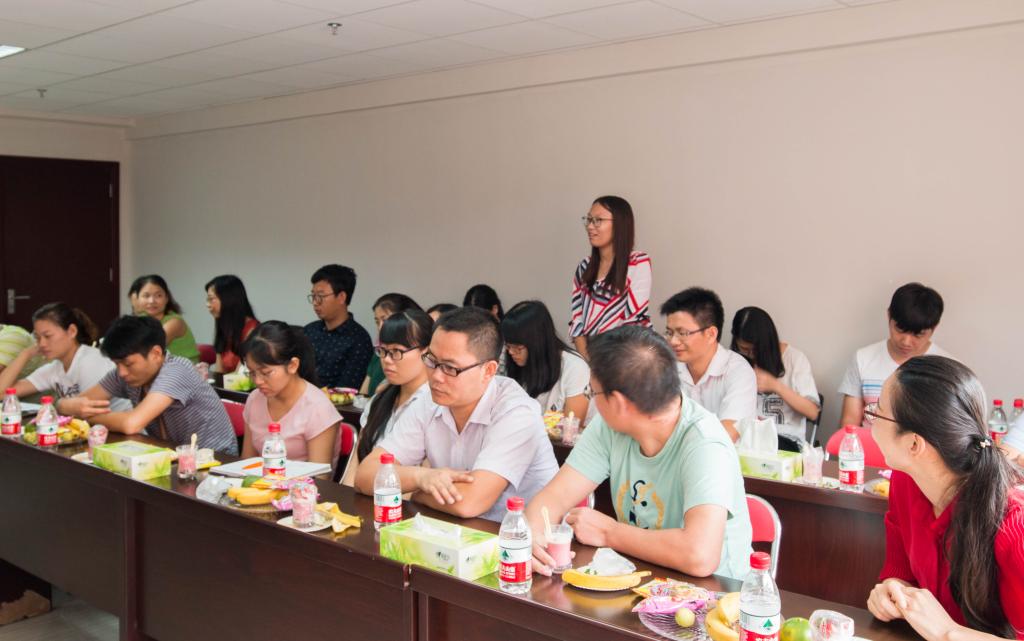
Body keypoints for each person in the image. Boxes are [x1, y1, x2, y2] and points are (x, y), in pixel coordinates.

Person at [525, 326, 752, 579]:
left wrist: (609, 532)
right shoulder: (608, 427)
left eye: (592, 392)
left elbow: (700, 556)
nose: (591, 401)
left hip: (715, 591)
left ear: (618, 403)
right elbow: (552, 499)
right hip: (643, 578)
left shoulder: (705, 443)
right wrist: (533, 537)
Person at [867, 356, 1024, 638]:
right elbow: (900, 572)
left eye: (877, 410)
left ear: (914, 444)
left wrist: (948, 632)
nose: (870, 418)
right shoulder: (906, 481)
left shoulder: (1014, 525)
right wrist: (894, 591)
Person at [354, 307, 558, 521]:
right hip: (454, 529)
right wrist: (421, 477)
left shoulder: (516, 412)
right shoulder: (428, 401)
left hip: (518, 536)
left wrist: (416, 494)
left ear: (488, 370)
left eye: (450, 368)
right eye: (431, 361)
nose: (436, 377)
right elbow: (366, 475)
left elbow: (469, 503)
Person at [67, 315, 238, 454]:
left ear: (156, 353)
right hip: (170, 454)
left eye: (128, 364)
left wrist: (86, 416)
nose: (121, 372)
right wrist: (65, 405)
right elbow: (76, 404)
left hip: (216, 458)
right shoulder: (126, 373)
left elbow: (131, 424)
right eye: (116, 364)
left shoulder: (177, 370)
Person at [840, 282, 949, 431]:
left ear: (934, 328)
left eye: (918, 334)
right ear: (889, 315)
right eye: (900, 329)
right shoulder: (863, 359)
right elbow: (849, 423)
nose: (906, 342)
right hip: (868, 445)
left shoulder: (948, 369)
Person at [341, 310, 433, 486]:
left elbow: (424, 478)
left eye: (397, 351)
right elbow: (356, 464)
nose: (387, 360)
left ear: (426, 351)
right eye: (383, 351)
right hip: (365, 492)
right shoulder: (380, 399)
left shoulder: (434, 405)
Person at [661, 288, 755, 442]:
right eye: (669, 333)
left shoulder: (738, 371)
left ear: (711, 334)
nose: (673, 341)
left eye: (682, 333)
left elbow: (729, 432)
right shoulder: (668, 368)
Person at [239, 321, 339, 467]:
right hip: (260, 480)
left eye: (266, 373)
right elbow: (247, 462)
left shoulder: (318, 408)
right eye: (252, 373)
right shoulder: (255, 399)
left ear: (292, 365)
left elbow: (320, 477)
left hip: (302, 482)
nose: (258, 381)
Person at [0, 303, 129, 413]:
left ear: (72, 331)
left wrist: (60, 407)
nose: (42, 344)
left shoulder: (90, 361)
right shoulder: (54, 368)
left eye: (48, 336)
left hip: (120, 429)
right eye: (38, 338)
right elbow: (2, 393)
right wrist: (25, 354)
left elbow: (86, 412)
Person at [569, 195, 652, 360]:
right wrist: (590, 363)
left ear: (620, 224)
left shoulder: (638, 262)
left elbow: (633, 322)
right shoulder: (584, 267)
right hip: (591, 357)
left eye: (598, 220)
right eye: (589, 220)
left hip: (631, 358)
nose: (590, 226)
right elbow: (577, 323)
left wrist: (606, 367)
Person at [730, 307, 819, 443]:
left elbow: (812, 412)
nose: (751, 354)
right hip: (746, 439)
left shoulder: (794, 359)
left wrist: (775, 386)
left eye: (755, 349)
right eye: (744, 349)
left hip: (785, 440)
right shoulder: (736, 361)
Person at [501, 300, 589, 420]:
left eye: (518, 347)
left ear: (538, 343)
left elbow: (572, 425)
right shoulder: (516, 364)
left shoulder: (575, 368)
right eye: (508, 346)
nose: (511, 352)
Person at [303, 264, 373, 389]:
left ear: (341, 297)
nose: (315, 302)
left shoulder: (359, 340)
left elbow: (347, 389)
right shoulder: (309, 330)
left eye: (321, 296)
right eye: (313, 296)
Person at [360, 293, 422, 396]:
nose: (381, 327)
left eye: (385, 320)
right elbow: (363, 393)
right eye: (377, 321)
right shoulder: (378, 351)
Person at [134, 274, 200, 363]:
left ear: (166, 298)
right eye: (146, 296)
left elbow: (150, 349)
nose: (152, 301)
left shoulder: (175, 322)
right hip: (156, 366)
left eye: (158, 295)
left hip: (182, 368)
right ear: (137, 299)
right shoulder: (139, 319)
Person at [205, 275, 258, 373]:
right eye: (207, 300)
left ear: (229, 299)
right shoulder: (225, 326)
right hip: (228, 382)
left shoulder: (252, 330)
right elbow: (219, 372)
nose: (207, 305)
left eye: (211, 299)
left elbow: (240, 376)